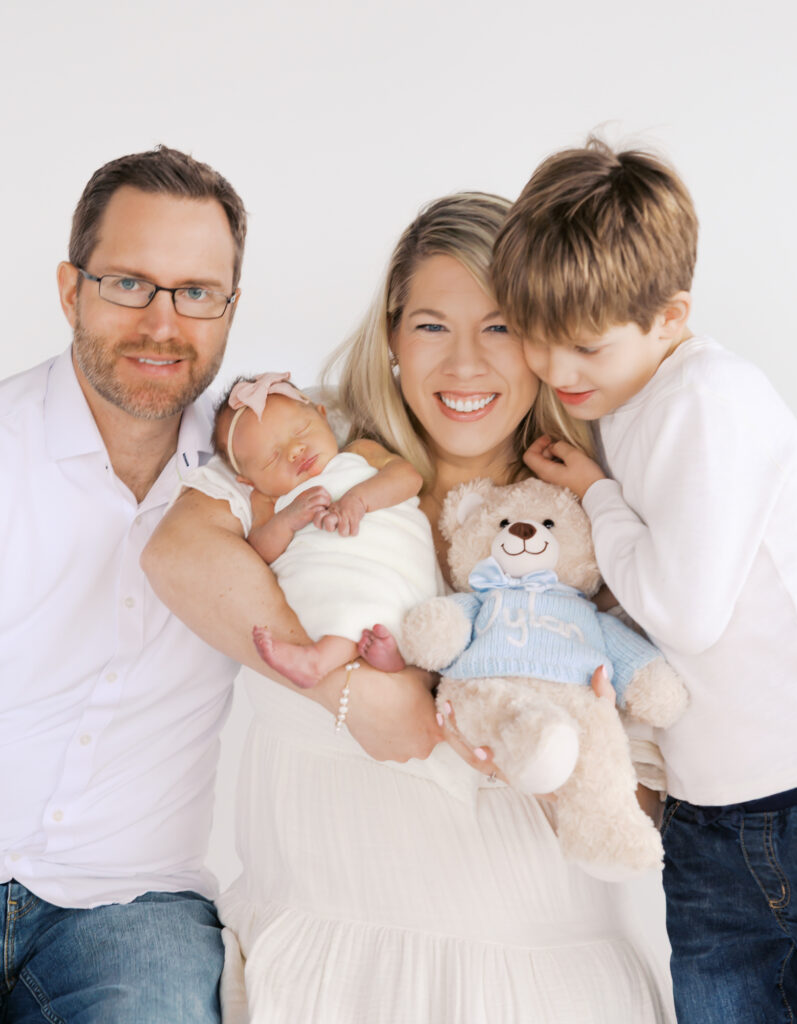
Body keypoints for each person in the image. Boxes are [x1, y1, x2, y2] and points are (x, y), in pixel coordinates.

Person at [143, 190, 674, 1023]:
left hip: (545, 986)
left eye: (499, 326)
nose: (464, 365)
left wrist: (549, 757)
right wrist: (352, 691)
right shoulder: (309, 445)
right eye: (430, 325)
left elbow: (644, 807)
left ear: (542, 337)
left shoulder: (589, 509)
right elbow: (177, 553)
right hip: (323, 970)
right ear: (390, 334)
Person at [492, 137, 797, 1023]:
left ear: (670, 317)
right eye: (537, 339)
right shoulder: (626, 401)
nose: (558, 371)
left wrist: (595, 496)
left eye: (585, 346)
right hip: (711, 815)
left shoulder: (703, 399)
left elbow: (683, 613)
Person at [0, 145, 248, 1022]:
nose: (162, 323)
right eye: (129, 284)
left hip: (134, 903)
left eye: (196, 292)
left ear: (230, 308)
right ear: (70, 290)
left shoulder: (260, 467)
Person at [198, 370, 439, 688]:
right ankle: (341, 656)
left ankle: (358, 654)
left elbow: (409, 478)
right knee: (336, 594)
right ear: (249, 481)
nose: (294, 450)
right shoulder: (268, 499)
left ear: (323, 416)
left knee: (383, 591)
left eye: (301, 430)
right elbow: (259, 551)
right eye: (271, 458)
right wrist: (287, 519)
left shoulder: (359, 452)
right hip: (332, 573)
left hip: (391, 558)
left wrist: (359, 500)